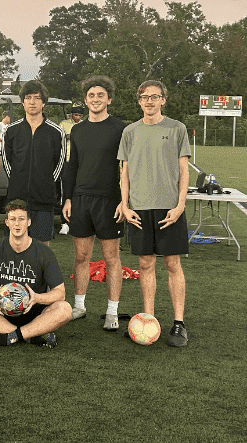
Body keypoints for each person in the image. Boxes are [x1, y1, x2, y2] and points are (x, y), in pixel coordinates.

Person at [117, 80, 191, 347]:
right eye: (144, 97)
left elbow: (184, 172)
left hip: (169, 209)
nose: (149, 101)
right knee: (145, 264)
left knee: (172, 264)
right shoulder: (130, 132)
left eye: (155, 97)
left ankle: (178, 324)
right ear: (139, 101)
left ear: (163, 100)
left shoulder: (177, 128)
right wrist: (125, 206)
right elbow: (123, 174)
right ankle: (148, 318)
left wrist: (180, 205)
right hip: (138, 209)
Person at [62, 76, 127, 331]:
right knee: (82, 256)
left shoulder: (121, 129)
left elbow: (127, 168)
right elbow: (72, 166)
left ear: (109, 99)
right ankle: (79, 306)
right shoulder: (77, 129)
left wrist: (124, 201)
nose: (96, 99)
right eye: (91, 96)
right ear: (86, 100)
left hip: (110, 201)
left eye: (101, 95)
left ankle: (112, 311)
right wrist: (68, 198)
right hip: (80, 200)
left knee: (111, 258)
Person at [0, 199, 71, 347]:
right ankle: (31, 334)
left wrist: (37, 298)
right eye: (13, 219)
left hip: (35, 313)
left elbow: (60, 293)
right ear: (7, 222)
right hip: (2, 313)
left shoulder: (44, 252)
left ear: (29, 222)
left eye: (21, 219)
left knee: (65, 309)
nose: (17, 224)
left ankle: (11, 335)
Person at [1, 80, 66, 244]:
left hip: (43, 199)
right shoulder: (11, 131)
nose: (32, 102)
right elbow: (7, 161)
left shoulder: (56, 132)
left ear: (43, 102)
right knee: (15, 245)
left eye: (37, 98)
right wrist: (17, 180)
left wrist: (46, 182)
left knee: (42, 248)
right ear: (22, 102)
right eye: (28, 98)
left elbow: (59, 163)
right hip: (17, 198)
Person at [57, 103, 85, 235]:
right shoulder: (64, 124)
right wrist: (69, 136)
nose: (77, 117)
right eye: (75, 115)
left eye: (80, 115)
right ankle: (65, 223)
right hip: (67, 161)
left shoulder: (85, 125)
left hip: (82, 162)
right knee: (66, 192)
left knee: (79, 192)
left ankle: (78, 221)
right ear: (71, 114)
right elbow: (58, 139)